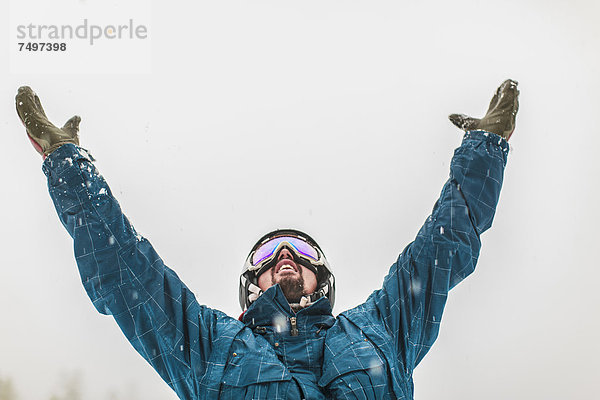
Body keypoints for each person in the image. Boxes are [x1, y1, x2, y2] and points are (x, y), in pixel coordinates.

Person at [15, 79, 519, 399]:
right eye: (267, 254)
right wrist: (67, 166)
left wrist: (484, 153)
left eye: (300, 252)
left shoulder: (382, 329)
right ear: (250, 283)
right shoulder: (210, 344)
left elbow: (438, 251)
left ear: (322, 275)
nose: (283, 256)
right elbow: (127, 274)